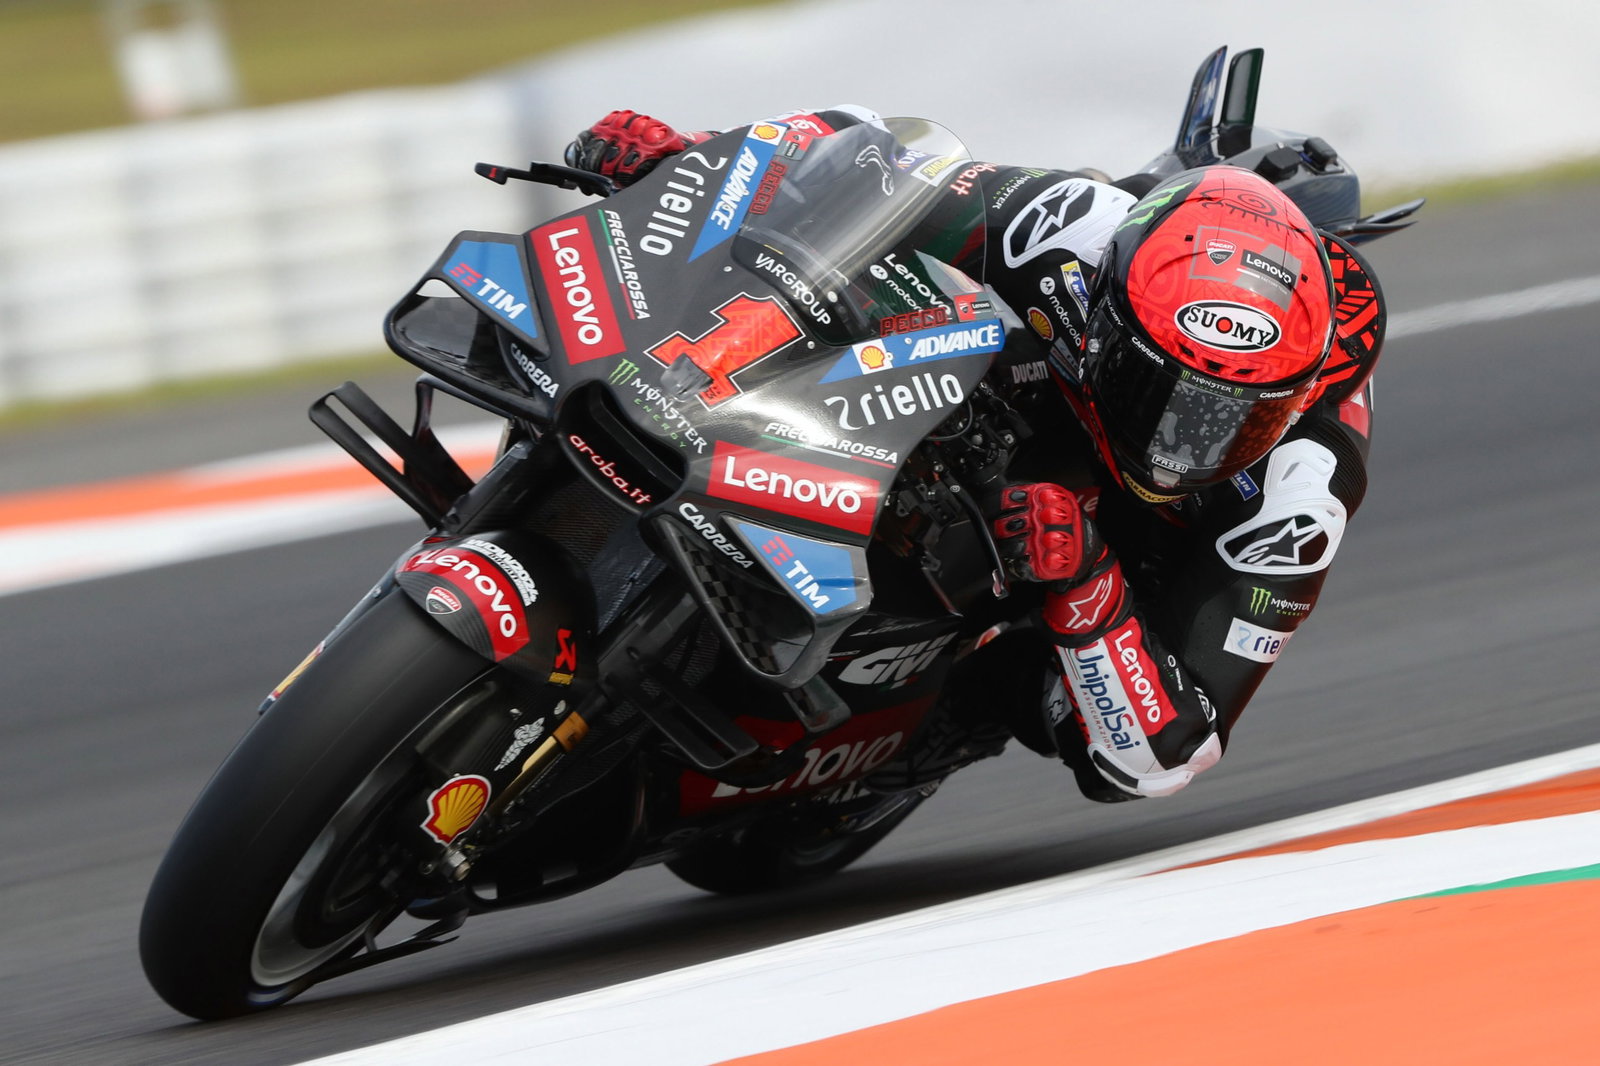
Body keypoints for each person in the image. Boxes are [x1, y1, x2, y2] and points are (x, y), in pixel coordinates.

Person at [564, 107, 1386, 803]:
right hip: (961, 423)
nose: (1183, 441)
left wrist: (1088, 582)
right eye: (1159, 391)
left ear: (1297, 392)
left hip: (1100, 563)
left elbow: (1169, 755)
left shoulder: (1306, 485)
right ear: (1114, 301)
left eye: (1232, 419)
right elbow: (869, 160)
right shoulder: (1074, 227)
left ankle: (917, 715)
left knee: (1049, 705)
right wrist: (699, 163)